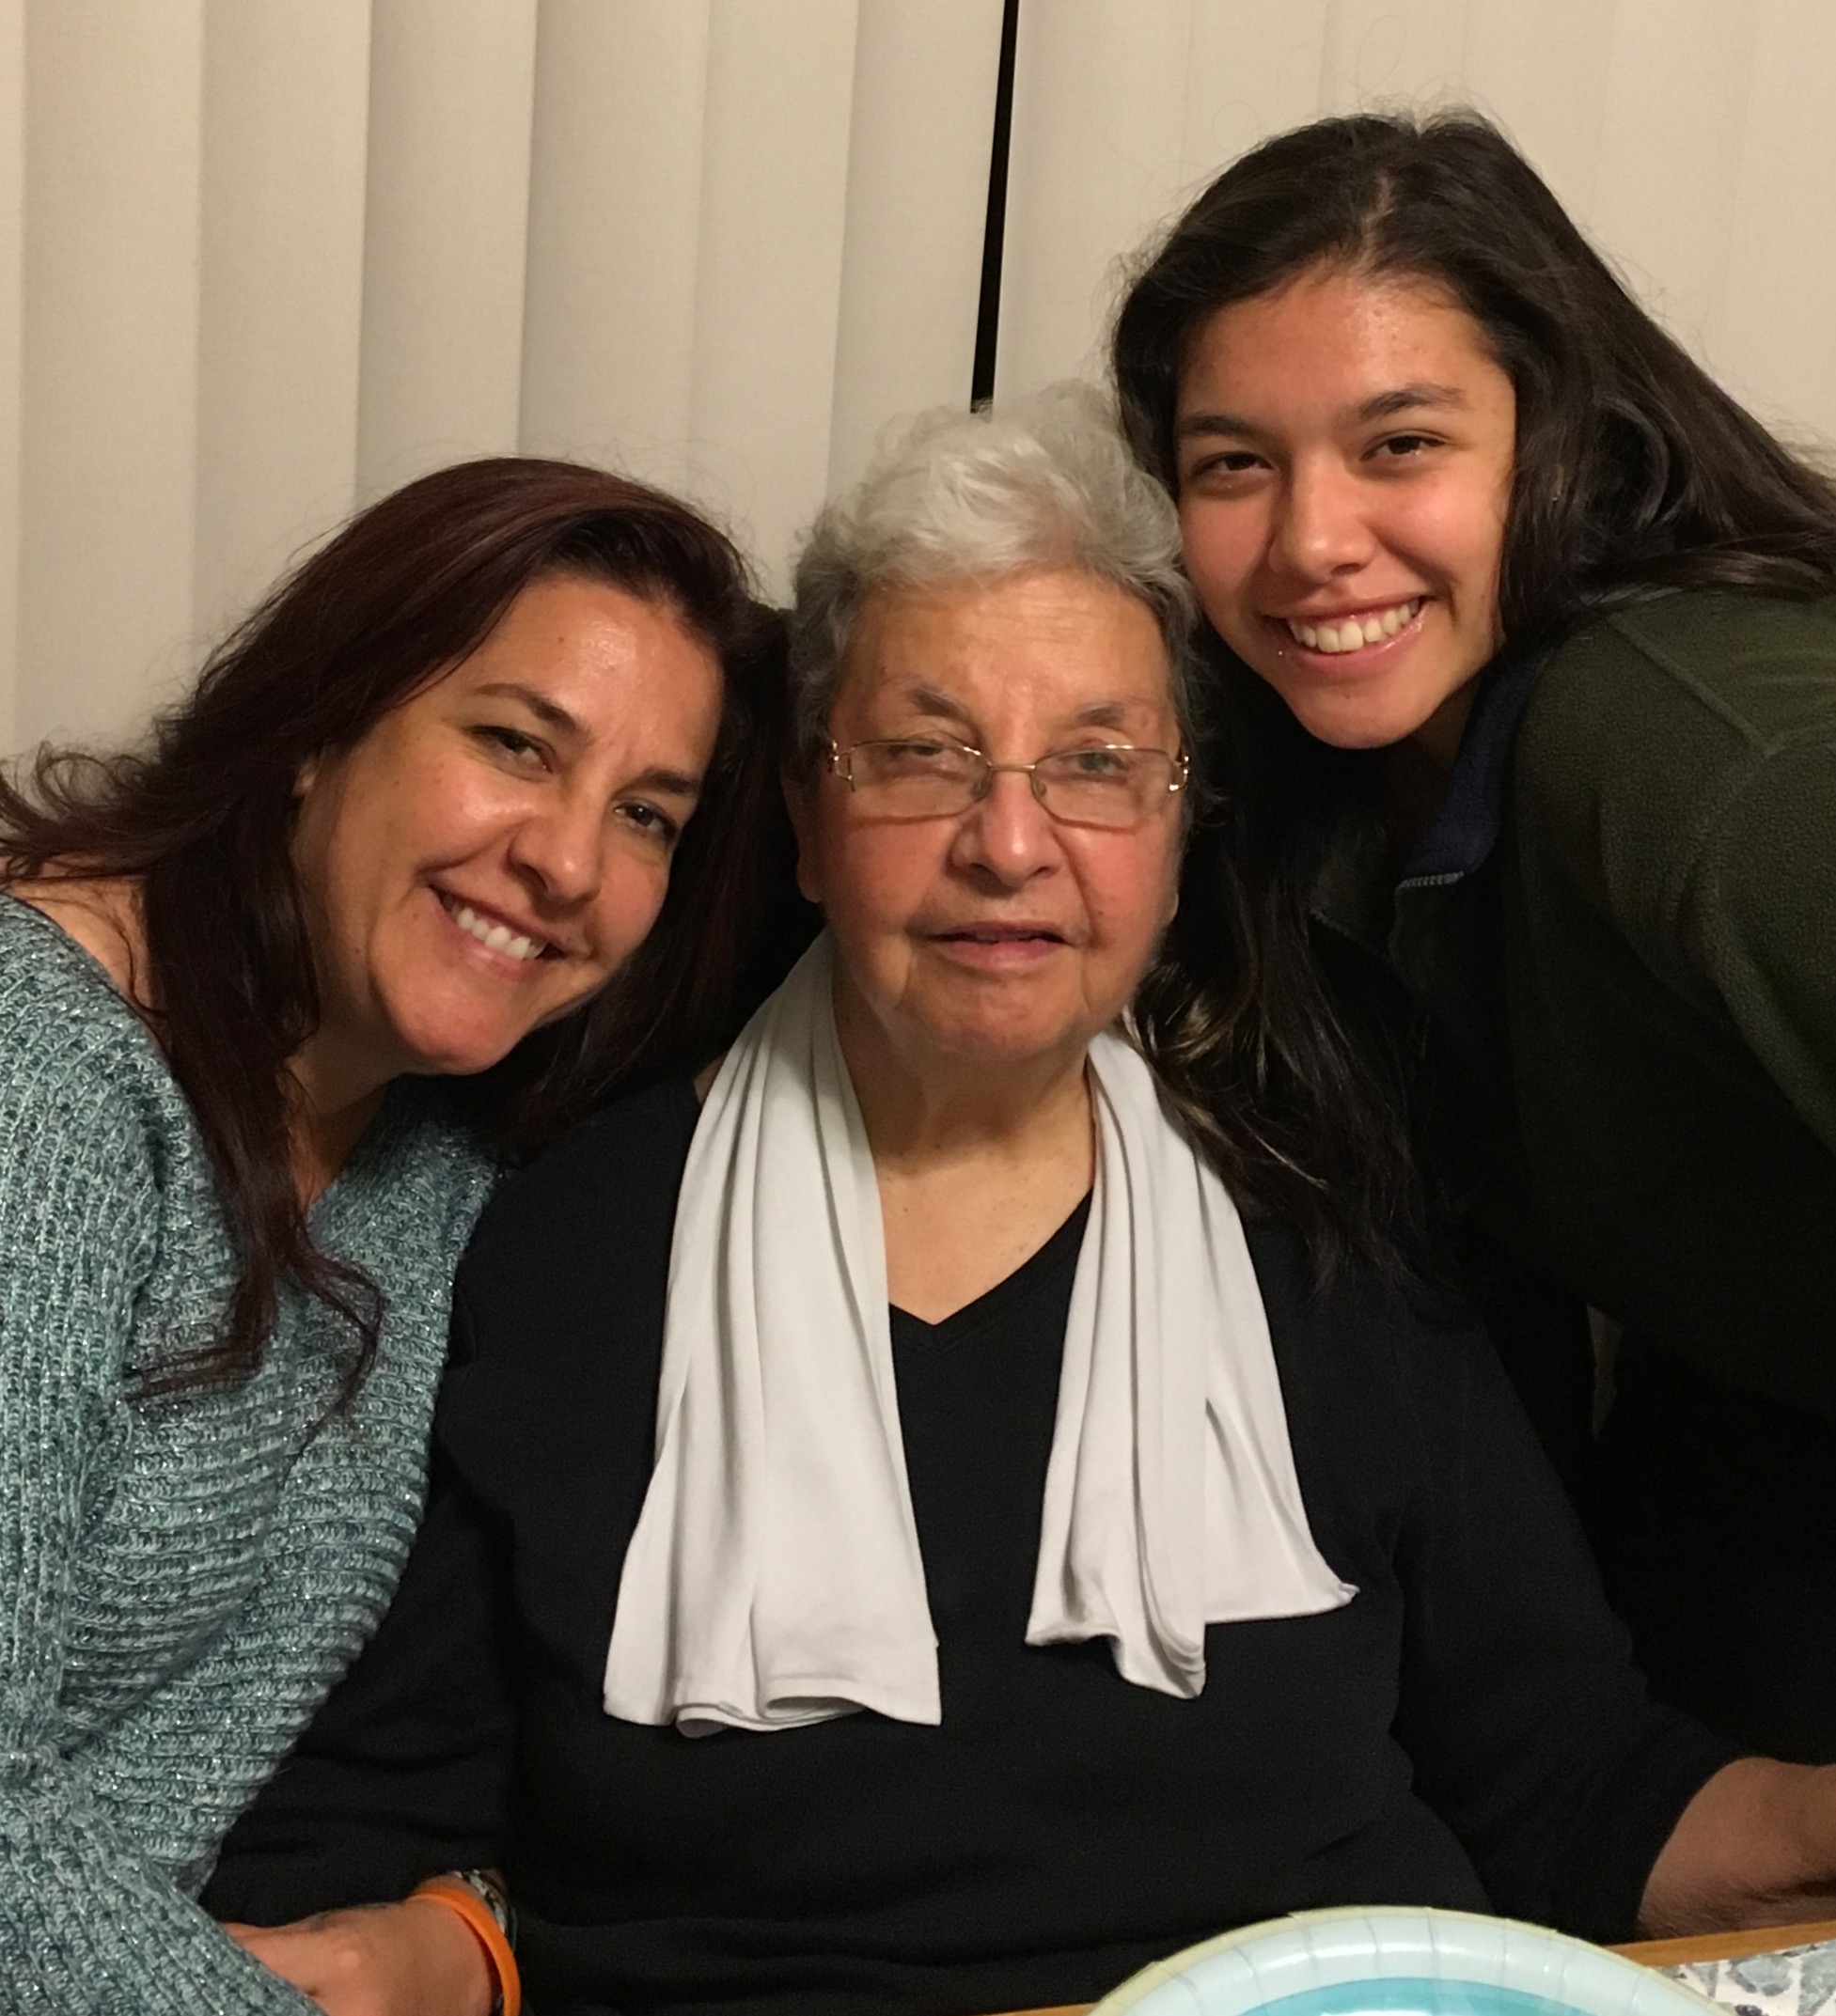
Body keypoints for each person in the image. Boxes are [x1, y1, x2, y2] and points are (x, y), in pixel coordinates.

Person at [210, 391, 1836, 2016]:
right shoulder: (558, 1249)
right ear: (801, 817)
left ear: (1175, 833)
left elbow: (1575, 1783)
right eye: (923, 755)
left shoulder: (1321, 1217)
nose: (1009, 842)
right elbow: (376, 1838)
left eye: (1096, 764)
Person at [0, 454, 779, 2014]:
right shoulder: (45, 1074)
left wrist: (468, 1931)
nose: (566, 860)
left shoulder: (435, 1151)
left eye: (642, 814)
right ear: (315, 725)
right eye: (511, 742)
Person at [1111, 111, 1836, 1763]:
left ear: (1555, 441)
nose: (1308, 541)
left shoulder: (1696, 757)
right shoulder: (1334, 767)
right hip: (1726, 1430)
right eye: (1235, 463)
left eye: (1398, 445)